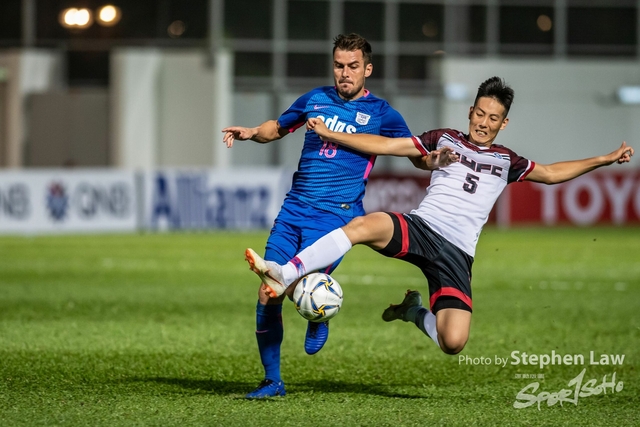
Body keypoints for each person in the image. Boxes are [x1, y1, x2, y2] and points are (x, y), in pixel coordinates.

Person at [245, 76, 634, 359]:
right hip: (422, 229)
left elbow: (550, 173)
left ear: (503, 123)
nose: (483, 122)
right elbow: (387, 145)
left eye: (493, 118)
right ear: (470, 111)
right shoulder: (444, 138)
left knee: (453, 342)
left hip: (456, 254)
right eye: (479, 113)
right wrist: (334, 135)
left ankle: (413, 311)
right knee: (362, 226)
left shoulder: (506, 161)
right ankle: (285, 273)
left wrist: (604, 158)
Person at [222, 34, 421, 399]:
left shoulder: (382, 113)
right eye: (339, 66)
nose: (344, 73)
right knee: (268, 291)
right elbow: (277, 128)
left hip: (336, 219)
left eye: (353, 66)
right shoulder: (314, 99)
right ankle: (273, 381)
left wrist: (438, 159)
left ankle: (318, 310)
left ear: (368, 69)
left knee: (291, 283)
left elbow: (414, 152)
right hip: (294, 209)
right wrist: (252, 132)